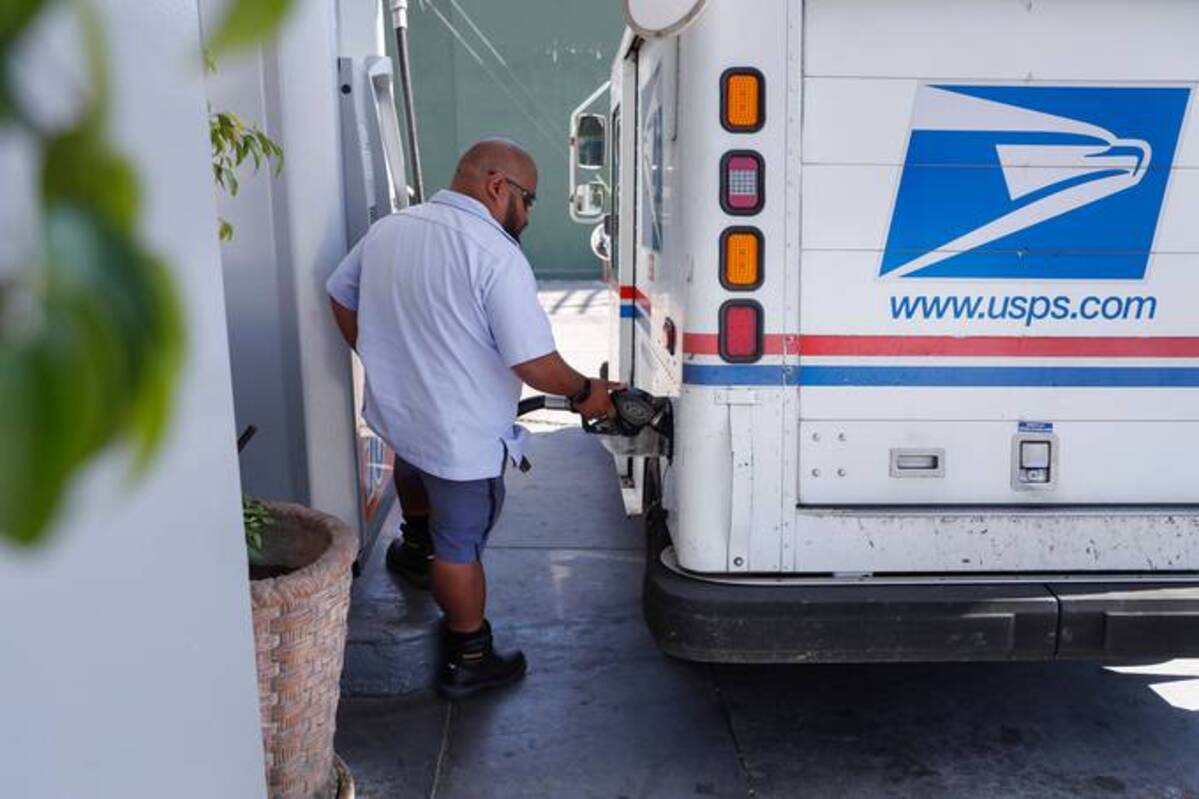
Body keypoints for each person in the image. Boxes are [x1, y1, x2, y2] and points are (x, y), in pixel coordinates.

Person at [325, 138, 618, 700]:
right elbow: (534, 363)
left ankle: (414, 549)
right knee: (460, 545)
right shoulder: (494, 253)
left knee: (412, 468)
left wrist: (374, 353)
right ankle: (469, 652)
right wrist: (587, 391)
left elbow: (339, 292)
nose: (528, 216)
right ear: (496, 186)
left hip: (403, 412)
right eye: (528, 201)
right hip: (460, 432)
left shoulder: (393, 227)